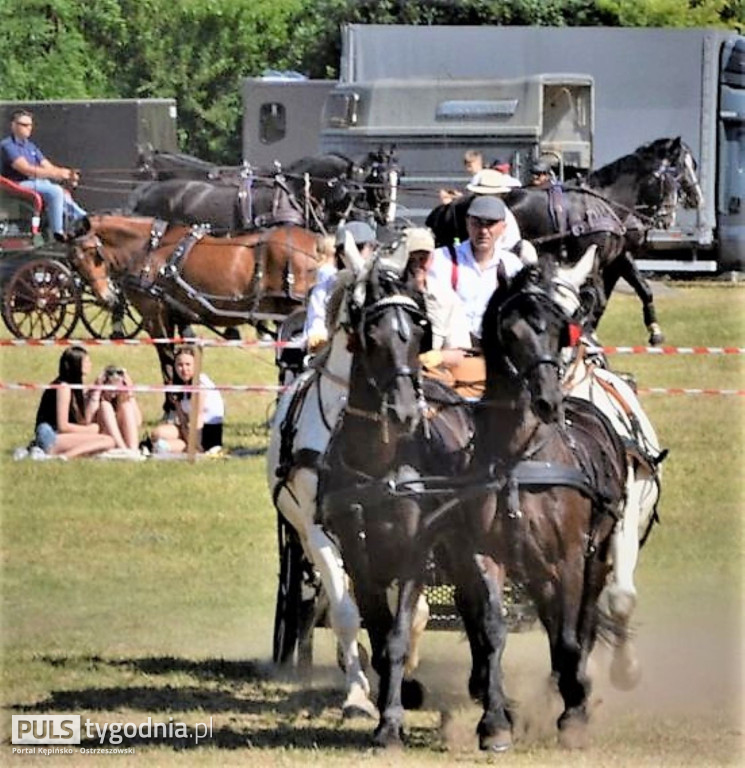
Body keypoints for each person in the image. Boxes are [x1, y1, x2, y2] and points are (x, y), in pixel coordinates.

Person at [428, 196, 524, 344]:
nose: (483, 231)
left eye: (490, 224)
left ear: (503, 228)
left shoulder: (512, 265)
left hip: (495, 350)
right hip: (452, 349)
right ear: (467, 224)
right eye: (477, 223)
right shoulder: (443, 259)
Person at [0, 109, 86, 238]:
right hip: (14, 184)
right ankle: (58, 233)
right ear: (13, 125)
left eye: (30, 125)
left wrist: (66, 174)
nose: (28, 128)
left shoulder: (30, 146)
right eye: (24, 125)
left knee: (60, 191)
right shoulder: (8, 146)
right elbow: (26, 169)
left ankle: (82, 217)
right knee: (54, 191)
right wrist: (56, 174)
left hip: (33, 183)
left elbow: (48, 166)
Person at [27, 346, 117, 460]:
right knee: (108, 441)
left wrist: (96, 390)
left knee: (102, 440)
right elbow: (63, 426)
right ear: (77, 364)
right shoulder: (63, 388)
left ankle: (67, 454)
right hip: (50, 435)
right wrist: (89, 430)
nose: (90, 364)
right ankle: (64, 456)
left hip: (57, 434)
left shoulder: (75, 387)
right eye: (86, 361)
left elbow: (81, 420)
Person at [303, 221, 377, 351]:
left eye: (359, 247)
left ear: (372, 248)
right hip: (334, 345)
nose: (348, 254)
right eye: (342, 250)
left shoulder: (381, 282)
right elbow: (317, 311)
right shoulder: (329, 282)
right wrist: (317, 333)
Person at [149, 346, 224, 455]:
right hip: (188, 427)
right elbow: (183, 419)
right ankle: (167, 446)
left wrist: (194, 445)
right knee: (157, 433)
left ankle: (171, 447)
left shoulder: (200, 383)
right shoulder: (180, 386)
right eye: (180, 365)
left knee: (182, 445)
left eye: (188, 365)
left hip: (206, 430)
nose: (184, 369)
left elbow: (197, 417)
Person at [90, 365, 143, 452]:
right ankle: (123, 449)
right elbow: (89, 420)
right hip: (104, 435)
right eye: (110, 388)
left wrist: (129, 392)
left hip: (124, 436)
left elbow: (138, 422)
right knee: (105, 406)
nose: (114, 394)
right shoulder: (96, 398)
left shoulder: (125, 401)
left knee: (127, 406)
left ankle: (133, 450)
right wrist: (97, 391)